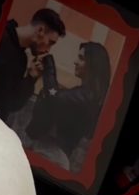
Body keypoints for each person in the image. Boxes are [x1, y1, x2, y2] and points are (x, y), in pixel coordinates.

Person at [26, 42, 111, 171]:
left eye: (81, 58)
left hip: (52, 155)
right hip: (50, 151)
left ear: (93, 64)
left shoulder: (86, 97)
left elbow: (54, 97)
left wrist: (49, 63)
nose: (75, 62)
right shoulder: (86, 95)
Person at [0, 8, 66, 122]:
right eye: (50, 42)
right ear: (40, 30)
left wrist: (31, 77)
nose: (48, 50)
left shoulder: (21, 58)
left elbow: (12, 104)